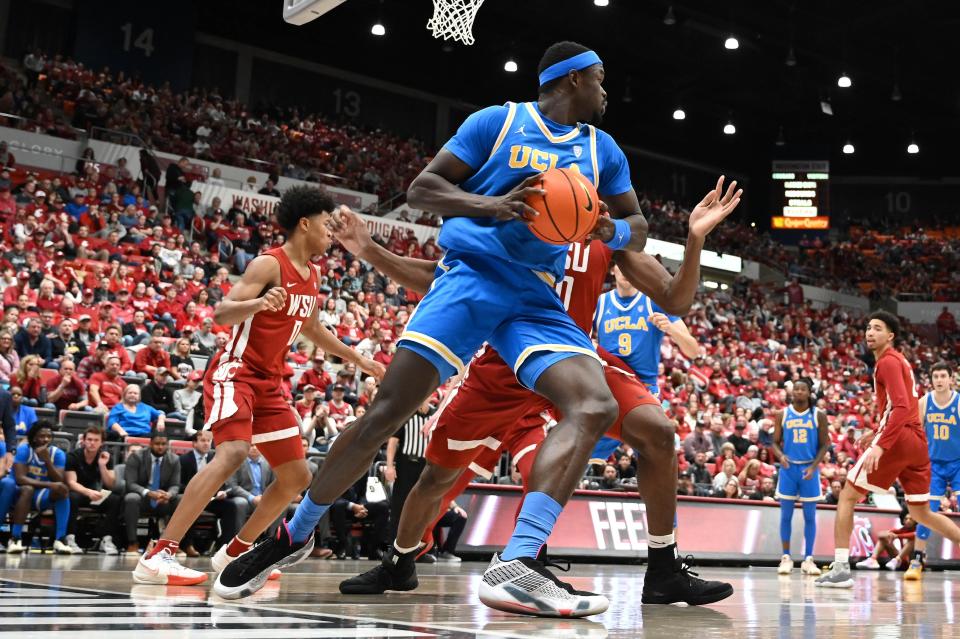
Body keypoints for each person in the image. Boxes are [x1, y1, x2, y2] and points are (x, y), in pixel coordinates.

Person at [331, 181, 737, 607]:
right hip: (505, 364)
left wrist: (695, 239)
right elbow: (440, 277)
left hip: (575, 365)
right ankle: (399, 563)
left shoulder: (603, 232)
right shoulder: (517, 220)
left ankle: (659, 569)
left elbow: (677, 297)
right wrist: (371, 251)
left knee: (658, 432)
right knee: (438, 478)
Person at [133, 186, 385, 590]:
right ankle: (159, 554)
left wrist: (358, 359)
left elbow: (313, 328)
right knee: (232, 452)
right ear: (305, 224)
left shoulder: (314, 274)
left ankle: (235, 550)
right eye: (325, 226)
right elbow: (221, 312)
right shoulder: (269, 264)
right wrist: (258, 304)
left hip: (270, 381)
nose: (330, 235)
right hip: (236, 371)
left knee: (296, 475)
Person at [816, 311, 960, 588]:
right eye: (868, 327)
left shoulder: (887, 362)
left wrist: (881, 445)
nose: (870, 332)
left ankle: (841, 569)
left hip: (899, 440)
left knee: (846, 496)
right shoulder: (899, 361)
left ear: (890, 335)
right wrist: (875, 431)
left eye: (877, 328)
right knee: (921, 514)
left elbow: (903, 407)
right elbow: (901, 408)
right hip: (918, 443)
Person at [590, 261, 699, 460]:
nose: (626, 272)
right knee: (585, 458)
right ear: (613, 269)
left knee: (656, 454)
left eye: (631, 266)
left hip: (643, 389)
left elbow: (693, 350)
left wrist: (671, 329)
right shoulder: (599, 303)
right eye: (622, 266)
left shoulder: (653, 302)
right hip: (608, 388)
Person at [905, 361, 960, 580]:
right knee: (926, 512)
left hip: (958, 462)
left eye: (942, 376)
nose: (939, 380)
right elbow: (915, 434)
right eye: (935, 376)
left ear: (950, 379)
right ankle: (917, 560)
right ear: (931, 380)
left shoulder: (958, 402)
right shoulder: (924, 402)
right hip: (933, 465)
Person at [770, 377, 830, 576]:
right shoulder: (783, 414)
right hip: (788, 469)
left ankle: (808, 559)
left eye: (803, 389)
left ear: (809, 392)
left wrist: (814, 467)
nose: (798, 392)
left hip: (808, 470)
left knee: (809, 516)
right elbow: (775, 442)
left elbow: (825, 444)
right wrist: (780, 456)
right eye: (796, 389)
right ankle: (786, 557)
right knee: (785, 515)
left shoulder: (818, 415)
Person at [0, 421, 81, 554]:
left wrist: (47, 461)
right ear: (34, 437)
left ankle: (60, 539)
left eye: (49, 436)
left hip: (40, 495)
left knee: (62, 490)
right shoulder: (24, 450)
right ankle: (15, 538)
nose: (45, 439)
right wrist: (49, 484)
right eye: (42, 436)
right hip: (17, 493)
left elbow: (59, 480)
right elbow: (20, 479)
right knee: (26, 488)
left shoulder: (57, 454)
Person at [179, 431, 248, 557]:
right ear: (194, 443)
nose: (206, 444)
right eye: (203, 440)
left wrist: (222, 491)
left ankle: (225, 546)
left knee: (232, 506)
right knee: (191, 506)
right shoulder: (184, 460)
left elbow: (221, 480)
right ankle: (187, 545)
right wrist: (197, 491)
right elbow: (180, 484)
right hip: (192, 498)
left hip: (212, 498)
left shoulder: (215, 458)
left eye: (208, 441)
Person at [64, 426, 121, 554]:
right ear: (83, 441)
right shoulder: (73, 456)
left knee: (115, 500)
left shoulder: (106, 457)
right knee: (71, 497)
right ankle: (70, 538)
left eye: (96, 440)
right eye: (89, 439)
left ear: (101, 443)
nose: (92, 443)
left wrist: (102, 466)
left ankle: (106, 539)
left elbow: (110, 484)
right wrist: (88, 492)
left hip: (94, 494)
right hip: (78, 492)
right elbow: (71, 482)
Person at [123, 431, 181, 553]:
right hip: (143, 498)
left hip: (163, 500)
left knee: (180, 499)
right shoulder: (137, 457)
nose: (160, 447)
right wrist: (149, 493)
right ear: (150, 444)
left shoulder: (174, 459)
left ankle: (173, 543)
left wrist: (169, 494)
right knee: (131, 498)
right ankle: (132, 543)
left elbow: (175, 485)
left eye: (163, 444)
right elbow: (130, 484)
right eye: (157, 444)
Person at [385, 398, 433, 540]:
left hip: (426, 466)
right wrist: (389, 466)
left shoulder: (435, 414)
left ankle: (419, 546)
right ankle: (393, 544)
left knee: (422, 508)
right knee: (399, 505)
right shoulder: (407, 414)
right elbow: (393, 442)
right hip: (405, 465)